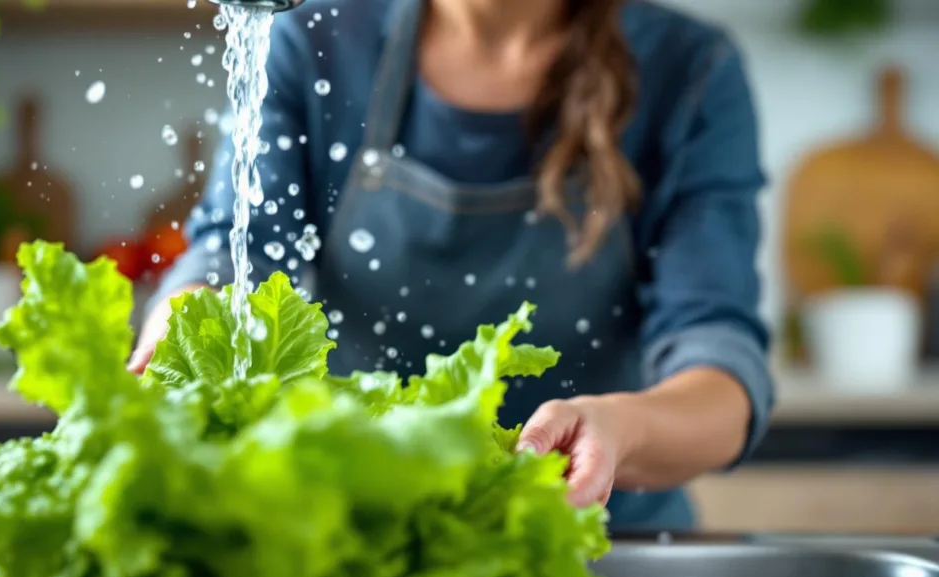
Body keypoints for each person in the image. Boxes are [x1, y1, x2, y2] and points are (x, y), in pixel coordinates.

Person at [130, 0, 774, 531]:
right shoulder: (312, 40)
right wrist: (181, 329)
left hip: (598, 542)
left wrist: (618, 433)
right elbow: (232, 260)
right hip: (348, 538)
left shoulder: (689, 73)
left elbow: (718, 372)